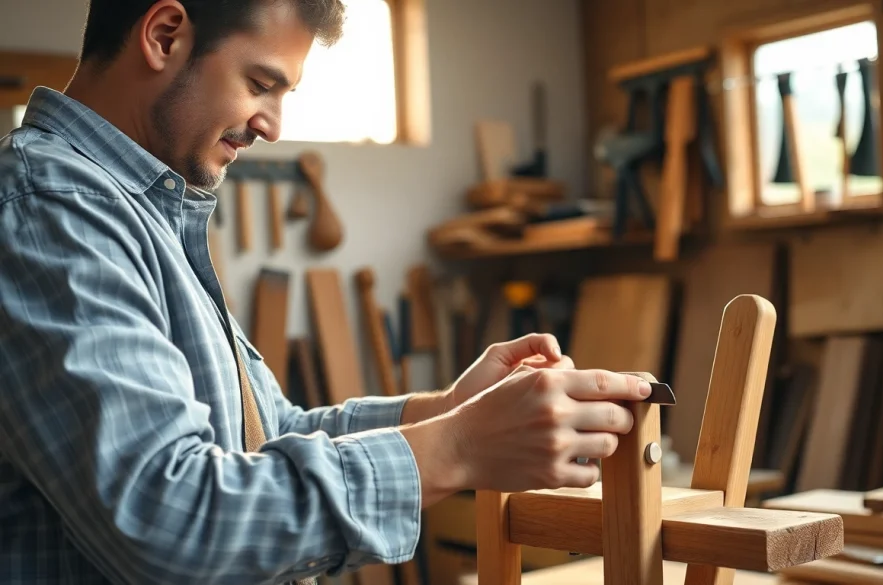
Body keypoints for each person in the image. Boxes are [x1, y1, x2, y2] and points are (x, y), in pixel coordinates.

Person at [0, 1, 654, 583]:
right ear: (166, 34)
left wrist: (448, 410)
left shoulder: (140, 212)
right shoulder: (51, 206)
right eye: (261, 84)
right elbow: (167, 517)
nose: (274, 125)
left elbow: (266, 437)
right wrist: (456, 448)